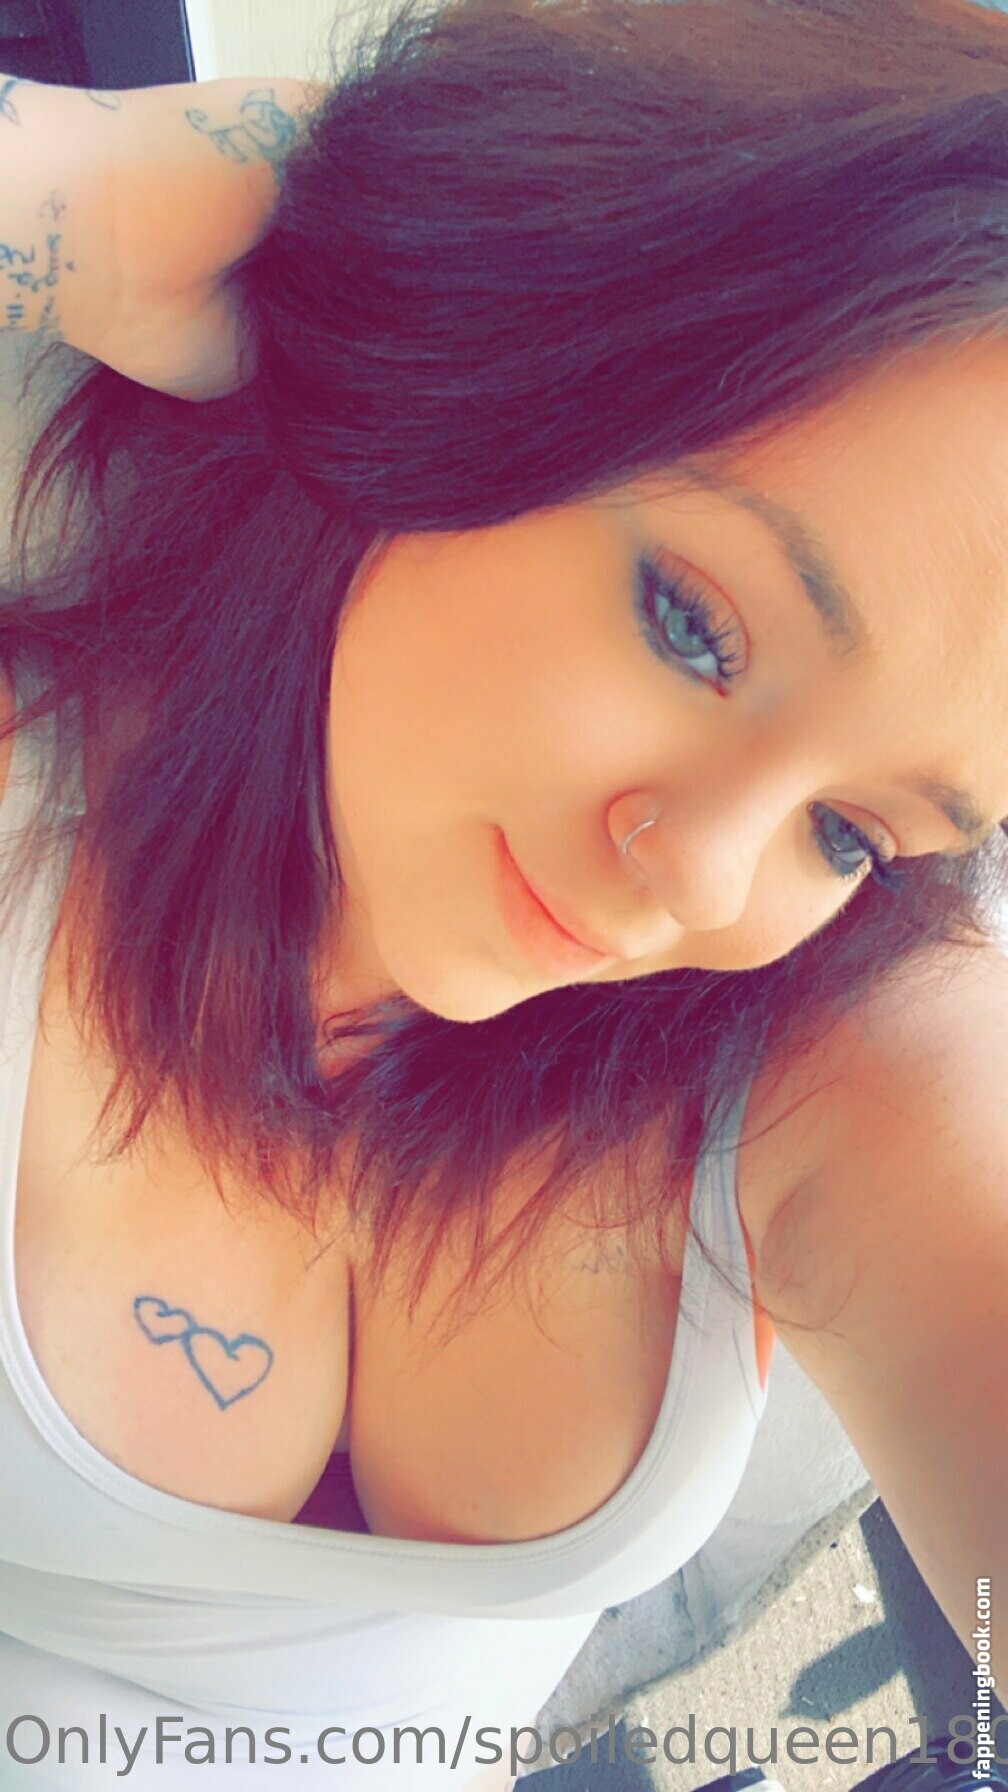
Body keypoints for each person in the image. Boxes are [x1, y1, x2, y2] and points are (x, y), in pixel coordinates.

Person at [0, 0, 1005, 1785]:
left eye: (852, 833)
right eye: (694, 627)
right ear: (497, 358)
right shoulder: (42, 764)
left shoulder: (850, 1048)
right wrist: (78, 182)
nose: (704, 877)